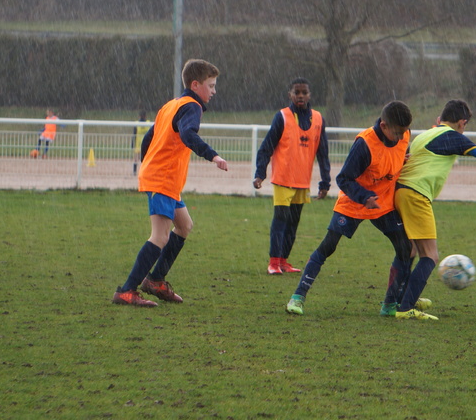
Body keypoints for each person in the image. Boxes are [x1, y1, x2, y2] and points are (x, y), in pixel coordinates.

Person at [387, 100, 476, 320]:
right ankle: (406, 308)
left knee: (410, 250)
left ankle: (396, 300)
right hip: (416, 194)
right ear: (462, 123)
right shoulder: (451, 136)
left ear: (440, 118)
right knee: (430, 256)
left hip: (401, 191)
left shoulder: (426, 134)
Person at [112, 59, 229, 307]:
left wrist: (147, 166)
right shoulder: (192, 107)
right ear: (195, 85)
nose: (214, 91)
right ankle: (127, 291)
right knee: (160, 236)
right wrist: (213, 156)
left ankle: (155, 280)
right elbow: (188, 134)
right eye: (211, 85)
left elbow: (148, 138)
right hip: (162, 179)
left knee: (184, 225)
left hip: (162, 178)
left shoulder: (171, 105)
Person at [285, 101, 415, 318]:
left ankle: (390, 304)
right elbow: (343, 179)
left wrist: (403, 160)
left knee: (406, 248)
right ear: (383, 126)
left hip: (382, 203)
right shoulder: (365, 144)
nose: (401, 137)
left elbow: (399, 154)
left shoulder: (404, 134)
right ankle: (298, 297)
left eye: (404, 132)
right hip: (354, 202)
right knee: (328, 246)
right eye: (397, 133)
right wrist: (364, 197)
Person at [253, 78, 331, 275]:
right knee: (280, 220)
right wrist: (260, 173)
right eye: (297, 92)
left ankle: (284, 261)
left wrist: (325, 182)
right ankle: (273, 262)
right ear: (290, 95)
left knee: (293, 223)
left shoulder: (318, 119)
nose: (300, 96)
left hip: (302, 182)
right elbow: (266, 147)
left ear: (310, 95)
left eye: (304, 92)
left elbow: (323, 153)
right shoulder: (282, 117)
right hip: (283, 179)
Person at [132, 110, 149, 176]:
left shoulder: (136, 124)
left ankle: (134, 172)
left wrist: (132, 144)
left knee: (136, 159)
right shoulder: (148, 123)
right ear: (145, 116)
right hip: (146, 144)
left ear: (139, 116)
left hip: (138, 144)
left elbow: (134, 134)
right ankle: (144, 172)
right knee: (145, 159)